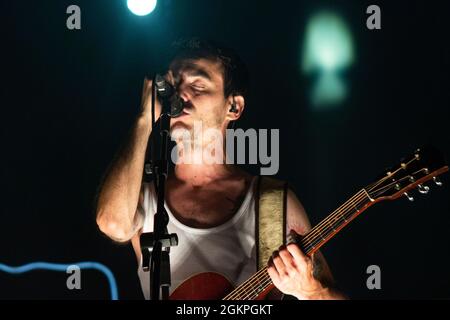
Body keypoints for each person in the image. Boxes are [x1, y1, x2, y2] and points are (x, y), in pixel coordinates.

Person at [95, 38, 346, 300]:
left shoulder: (271, 201)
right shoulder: (147, 196)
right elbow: (113, 223)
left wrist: (312, 290)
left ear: (234, 107)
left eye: (197, 85)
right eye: (173, 86)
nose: (179, 95)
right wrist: (144, 119)